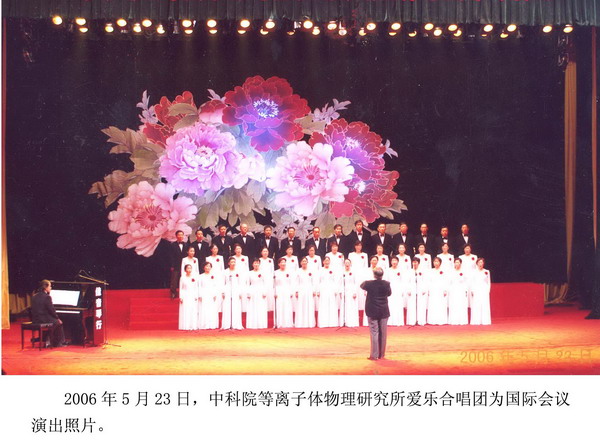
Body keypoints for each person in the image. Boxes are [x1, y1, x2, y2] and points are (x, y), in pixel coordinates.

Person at [360, 268, 392, 360]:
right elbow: (389, 294)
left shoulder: (368, 283)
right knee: (383, 333)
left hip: (372, 310)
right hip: (383, 310)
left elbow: (361, 285)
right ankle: (381, 354)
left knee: (374, 332)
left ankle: (374, 355)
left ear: (374, 275)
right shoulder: (387, 284)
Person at [31, 280, 65, 347]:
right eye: (50, 286)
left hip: (36, 320)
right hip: (44, 320)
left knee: (54, 320)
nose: (51, 288)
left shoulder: (34, 296)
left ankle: (45, 339)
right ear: (45, 287)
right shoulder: (47, 297)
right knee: (59, 323)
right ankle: (58, 343)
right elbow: (51, 310)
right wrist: (57, 318)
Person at [222, 257, 245, 330]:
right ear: (228, 263)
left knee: (236, 306)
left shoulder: (239, 271)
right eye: (231, 262)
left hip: (236, 290)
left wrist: (240, 292)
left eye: (234, 262)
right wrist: (223, 292)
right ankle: (227, 324)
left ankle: (236, 324)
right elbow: (222, 282)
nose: (233, 263)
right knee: (227, 306)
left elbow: (240, 282)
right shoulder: (225, 271)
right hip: (227, 289)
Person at [317, 256, 341, 327]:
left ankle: (332, 322)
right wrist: (318, 291)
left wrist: (336, 290)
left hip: (331, 289)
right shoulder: (320, 270)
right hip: (323, 289)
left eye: (328, 261)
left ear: (330, 262)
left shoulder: (333, 270)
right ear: (323, 262)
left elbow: (336, 280)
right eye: (325, 261)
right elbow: (317, 281)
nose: (327, 262)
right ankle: (323, 322)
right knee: (323, 305)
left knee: (332, 304)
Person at [294, 257, 317, 328]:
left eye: (305, 261)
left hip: (309, 289)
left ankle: (309, 323)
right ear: (300, 263)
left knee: (309, 305)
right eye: (303, 261)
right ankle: (300, 323)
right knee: (301, 305)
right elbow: (296, 282)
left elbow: (314, 281)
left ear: (307, 262)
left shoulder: (311, 270)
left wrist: (314, 290)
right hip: (301, 290)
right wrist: (296, 291)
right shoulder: (298, 271)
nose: (304, 262)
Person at [246, 259, 268, 329]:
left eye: (257, 263)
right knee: (252, 307)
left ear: (259, 264)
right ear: (252, 264)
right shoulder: (249, 273)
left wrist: (265, 292)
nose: (256, 265)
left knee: (261, 307)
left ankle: (261, 324)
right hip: (252, 290)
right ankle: (252, 324)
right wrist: (248, 293)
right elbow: (247, 284)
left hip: (261, 291)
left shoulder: (263, 272)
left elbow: (265, 283)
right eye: (255, 263)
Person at [198, 262, 221, 330]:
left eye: (209, 266)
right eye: (206, 266)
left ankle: (212, 324)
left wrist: (215, 294)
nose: (208, 267)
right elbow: (199, 286)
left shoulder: (214, 276)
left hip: (211, 294)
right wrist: (200, 295)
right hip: (204, 294)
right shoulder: (200, 276)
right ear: (204, 267)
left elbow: (215, 286)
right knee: (204, 309)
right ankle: (204, 325)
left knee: (212, 309)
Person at [273, 258, 295, 328]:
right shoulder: (275, 272)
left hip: (287, 290)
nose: (283, 263)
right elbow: (273, 284)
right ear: (279, 264)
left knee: (287, 306)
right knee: (279, 306)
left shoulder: (289, 272)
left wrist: (291, 292)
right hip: (278, 291)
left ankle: (287, 323)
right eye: (281, 262)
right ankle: (279, 323)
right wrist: (274, 292)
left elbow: (291, 283)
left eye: (284, 262)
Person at [426, 257, 448, 325]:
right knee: (433, 304)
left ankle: (441, 320)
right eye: (435, 261)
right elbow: (428, 281)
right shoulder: (430, 271)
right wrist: (428, 290)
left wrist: (445, 290)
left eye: (437, 261)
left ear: (440, 263)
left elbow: (445, 281)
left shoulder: (444, 271)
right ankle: (432, 320)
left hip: (441, 290)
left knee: (441, 304)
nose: (436, 263)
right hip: (433, 290)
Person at [470, 258, 492, 325]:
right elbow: (472, 282)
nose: (480, 264)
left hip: (484, 289)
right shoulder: (473, 272)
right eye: (479, 262)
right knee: (476, 304)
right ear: (477, 263)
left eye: (481, 262)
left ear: (483, 263)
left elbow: (488, 282)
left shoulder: (486, 271)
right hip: (476, 289)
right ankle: (476, 321)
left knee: (485, 304)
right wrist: (472, 290)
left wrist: (488, 290)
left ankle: (485, 321)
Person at [448, 258, 469, 325]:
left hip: (461, 289)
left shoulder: (464, 271)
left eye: (458, 262)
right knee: (454, 304)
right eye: (455, 262)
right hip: (453, 289)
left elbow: (466, 282)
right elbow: (449, 282)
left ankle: (462, 320)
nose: (457, 264)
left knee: (461, 304)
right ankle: (454, 320)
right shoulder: (451, 271)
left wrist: (465, 290)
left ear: (460, 263)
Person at [169, 230, 189, 299]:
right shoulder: (172, 245)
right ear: (176, 236)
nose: (180, 236)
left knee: (185, 279)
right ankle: (173, 292)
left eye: (181, 235)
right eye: (179, 235)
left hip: (185, 265)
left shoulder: (186, 244)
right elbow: (171, 256)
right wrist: (172, 265)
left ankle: (185, 292)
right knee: (174, 279)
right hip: (176, 264)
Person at [179, 264, 199, 331]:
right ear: (185, 270)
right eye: (188, 268)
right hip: (185, 295)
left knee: (193, 310)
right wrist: (181, 297)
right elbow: (181, 288)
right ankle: (186, 326)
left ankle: (193, 325)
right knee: (186, 309)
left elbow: (196, 287)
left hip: (192, 295)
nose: (189, 270)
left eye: (190, 268)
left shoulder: (194, 277)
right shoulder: (182, 278)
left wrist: (196, 295)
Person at [385, 257, 404, 326]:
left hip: (398, 289)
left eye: (395, 260)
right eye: (393, 260)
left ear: (398, 262)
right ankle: (390, 321)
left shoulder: (401, 270)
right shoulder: (387, 270)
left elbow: (403, 281)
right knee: (390, 304)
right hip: (390, 289)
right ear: (391, 262)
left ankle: (398, 321)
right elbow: (386, 281)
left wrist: (402, 290)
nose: (394, 262)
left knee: (398, 304)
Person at [342, 259, 359, 327]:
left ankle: (352, 322)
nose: (347, 264)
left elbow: (356, 283)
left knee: (352, 306)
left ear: (350, 263)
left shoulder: (353, 272)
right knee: (345, 306)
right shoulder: (342, 272)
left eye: (348, 262)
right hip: (344, 290)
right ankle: (345, 321)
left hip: (352, 290)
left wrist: (355, 292)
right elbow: (340, 282)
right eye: (346, 263)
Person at [258, 247, 276, 311]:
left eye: (266, 251)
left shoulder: (271, 260)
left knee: (269, 292)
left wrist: (272, 278)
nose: (265, 253)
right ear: (261, 252)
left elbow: (272, 270)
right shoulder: (259, 260)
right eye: (264, 251)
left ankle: (270, 308)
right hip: (261, 278)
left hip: (269, 278)